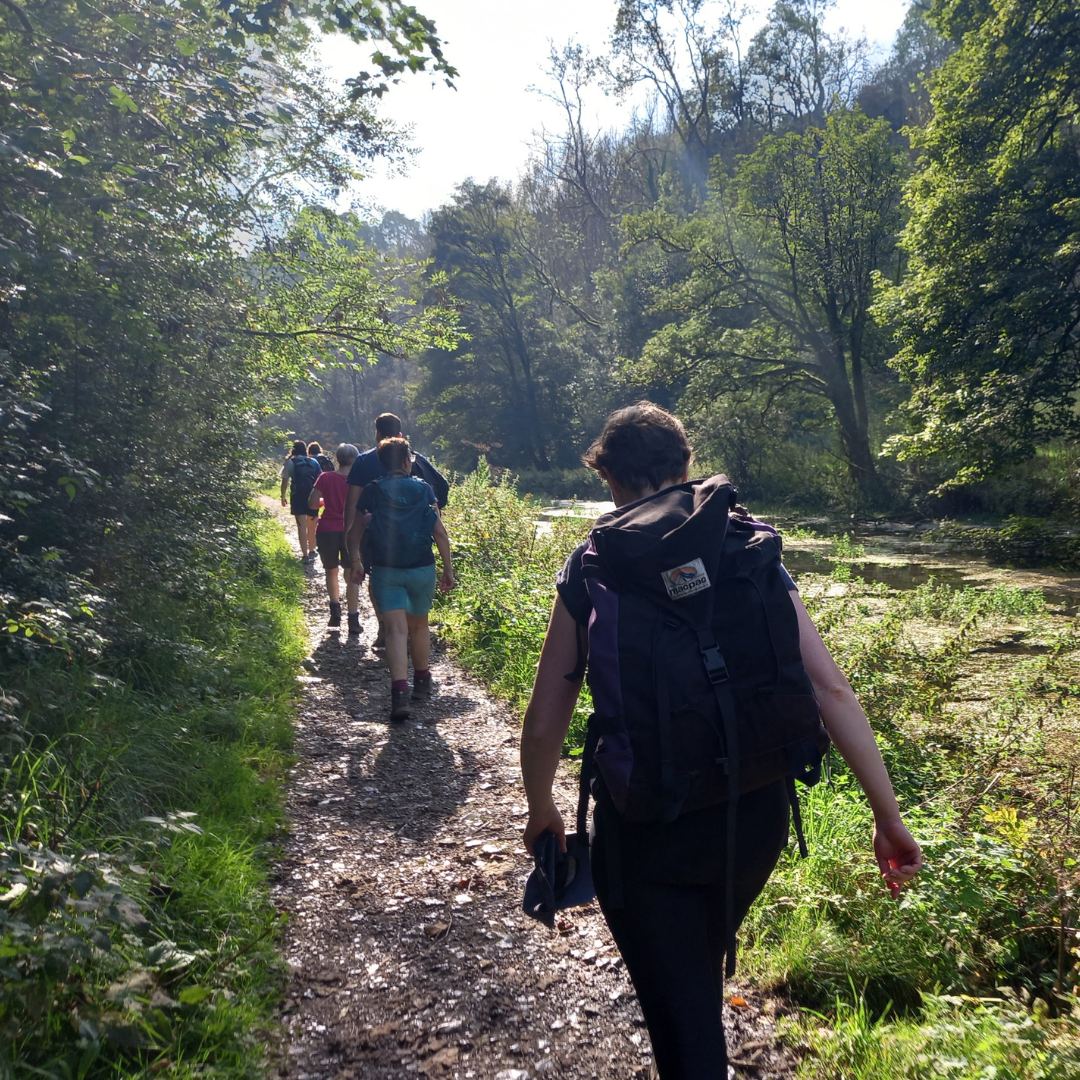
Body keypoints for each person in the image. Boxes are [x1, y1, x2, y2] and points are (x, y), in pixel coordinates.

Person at [519, 402, 922, 1080]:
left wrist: (541, 808)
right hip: (757, 809)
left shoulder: (595, 562)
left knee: (686, 1029)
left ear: (608, 477)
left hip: (649, 829)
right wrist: (888, 815)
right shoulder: (745, 544)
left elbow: (544, 715)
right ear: (685, 465)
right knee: (695, 974)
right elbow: (832, 692)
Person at [348, 437, 455, 722]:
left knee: (395, 630)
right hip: (422, 567)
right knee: (419, 627)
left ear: (382, 462)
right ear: (408, 461)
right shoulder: (424, 489)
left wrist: (357, 562)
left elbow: (354, 533)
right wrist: (448, 569)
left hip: (385, 568)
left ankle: (399, 695)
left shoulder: (372, 491)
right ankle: (422, 683)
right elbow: (440, 533)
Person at [344, 413, 450, 649]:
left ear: (377, 434)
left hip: (376, 534)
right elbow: (441, 488)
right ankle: (413, 632)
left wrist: (350, 538)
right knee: (413, 579)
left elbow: (352, 502)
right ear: (401, 435)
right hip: (416, 537)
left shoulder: (363, 461)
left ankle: (386, 625)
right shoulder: (416, 459)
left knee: (377, 577)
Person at [308, 443, 362, 632]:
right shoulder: (359, 481)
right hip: (351, 531)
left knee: (331, 571)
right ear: (356, 459)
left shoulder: (325, 477)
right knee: (352, 574)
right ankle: (353, 618)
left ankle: (335, 612)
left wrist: (326, 501)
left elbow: (313, 503)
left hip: (327, 530)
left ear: (337, 458)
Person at [280, 440, 321, 561]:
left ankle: (305, 555)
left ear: (293, 450)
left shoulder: (290, 462)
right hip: (312, 495)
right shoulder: (314, 462)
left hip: (297, 496)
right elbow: (320, 479)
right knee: (312, 525)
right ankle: (312, 550)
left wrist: (283, 496)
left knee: (301, 526)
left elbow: (285, 480)